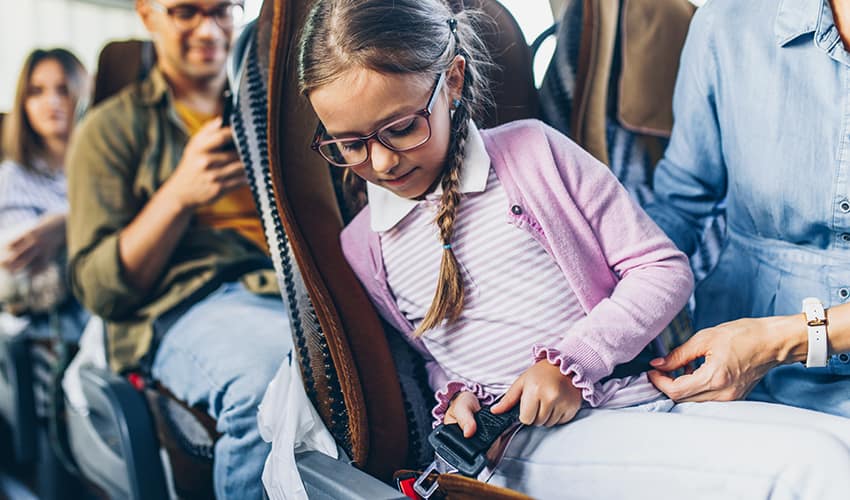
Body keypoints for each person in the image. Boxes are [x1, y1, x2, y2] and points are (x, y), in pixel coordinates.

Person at [297, 0, 850, 498]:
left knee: (842, 449)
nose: (384, 162)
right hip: (526, 445)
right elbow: (436, 360)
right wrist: (458, 399)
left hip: (637, 399)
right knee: (817, 468)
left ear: (454, 82)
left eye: (401, 128)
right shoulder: (363, 249)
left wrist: (573, 363)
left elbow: (663, 270)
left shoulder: (535, 155)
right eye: (350, 144)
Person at [65, 1, 291, 498]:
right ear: (147, 15)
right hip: (189, 303)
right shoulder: (109, 131)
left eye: (222, 10)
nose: (208, 30)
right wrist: (179, 195)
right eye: (186, 12)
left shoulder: (280, 111)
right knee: (268, 391)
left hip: (295, 291)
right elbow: (98, 291)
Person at [645, 0, 850, 419]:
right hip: (734, 384)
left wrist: (779, 339)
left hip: (751, 355)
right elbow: (680, 204)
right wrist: (574, 344)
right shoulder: (725, 24)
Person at [0, 48, 89, 339]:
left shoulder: (105, 170)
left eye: (63, 90)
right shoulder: (13, 179)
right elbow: (21, 272)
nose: (51, 102)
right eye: (36, 91)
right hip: (51, 328)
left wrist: (65, 226)